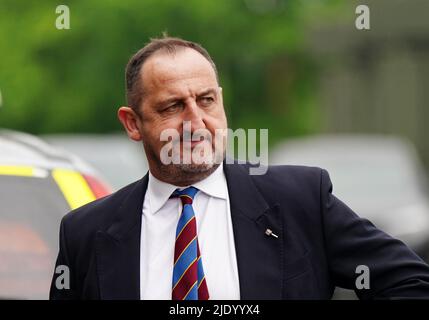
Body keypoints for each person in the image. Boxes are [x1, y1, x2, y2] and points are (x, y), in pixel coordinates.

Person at [50, 36, 429, 300]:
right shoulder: (85, 233)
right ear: (133, 123)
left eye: (206, 100)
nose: (196, 121)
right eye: (172, 107)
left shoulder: (301, 198)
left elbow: (409, 282)